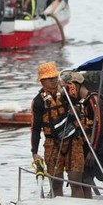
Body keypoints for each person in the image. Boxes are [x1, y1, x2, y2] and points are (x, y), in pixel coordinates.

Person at [31, 62, 85, 198]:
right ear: (42, 80)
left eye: (55, 77)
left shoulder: (68, 91)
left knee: (76, 181)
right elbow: (36, 128)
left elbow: (77, 104)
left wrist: (64, 93)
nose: (53, 80)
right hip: (52, 143)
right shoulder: (38, 102)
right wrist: (34, 152)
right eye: (50, 78)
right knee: (56, 183)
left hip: (73, 140)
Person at [63, 71, 103, 196]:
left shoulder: (94, 99)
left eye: (69, 87)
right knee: (86, 178)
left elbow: (99, 126)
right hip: (87, 146)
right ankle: (91, 204)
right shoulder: (81, 103)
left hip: (98, 147)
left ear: (76, 86)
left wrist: (93, 150)